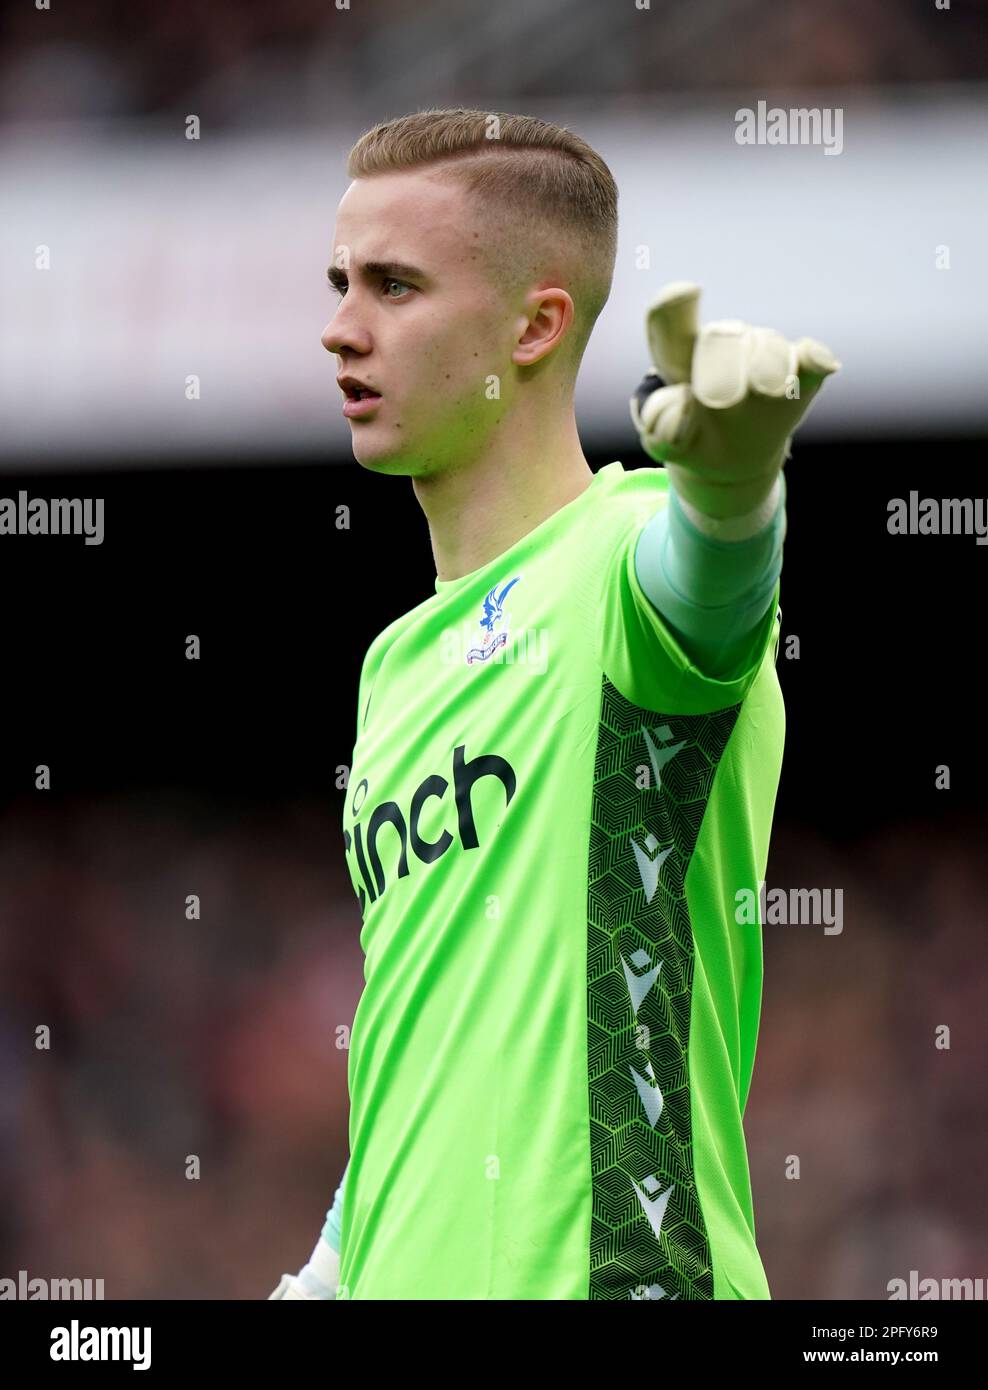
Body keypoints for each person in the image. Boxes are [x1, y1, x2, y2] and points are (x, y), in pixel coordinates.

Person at [269, 106, 837, 1301]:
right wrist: (325, 1274)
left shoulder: (628, 556)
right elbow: (429, 1036)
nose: (338, 329)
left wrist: (736, 495)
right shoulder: (393, 668)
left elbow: (710, 589)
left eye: (394, 285)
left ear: (534, 326)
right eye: (339, 282)